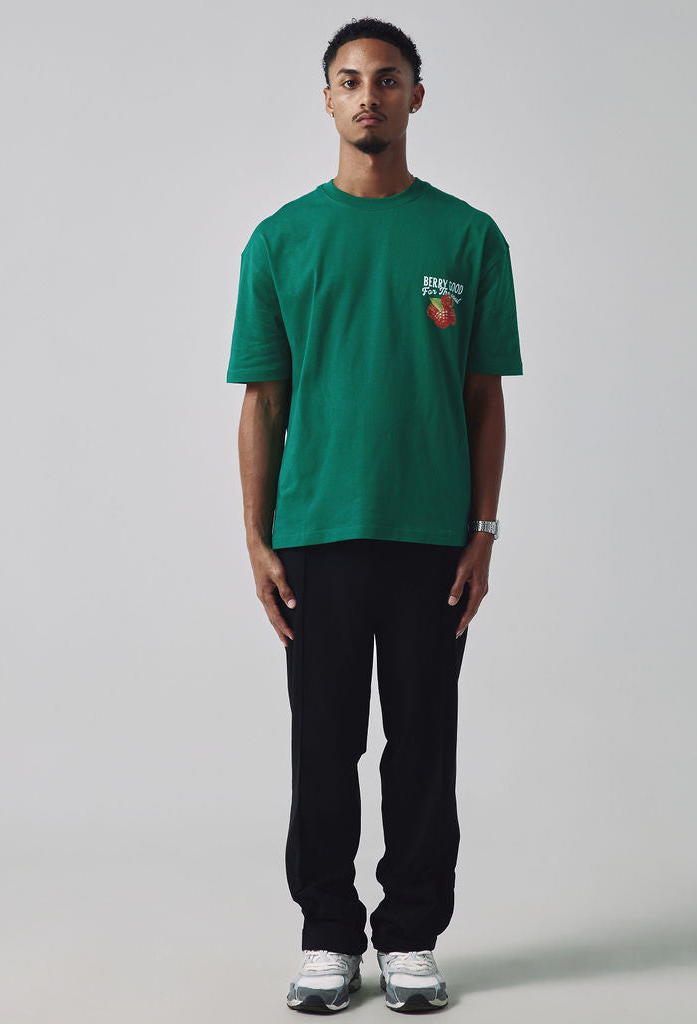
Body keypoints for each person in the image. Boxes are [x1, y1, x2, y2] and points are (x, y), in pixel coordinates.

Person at [226, 17, 522, 1014]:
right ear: (326, 100)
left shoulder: (467, 238)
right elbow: (263, 402)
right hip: (316, 533)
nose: (369, 97)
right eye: (349, 81)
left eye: (387, 79)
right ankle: (326, 933)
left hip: (433, 537)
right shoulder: (281, 240)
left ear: (415, 97)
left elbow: (484, 398)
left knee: (422, 744)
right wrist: (257, 538)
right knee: (323, 742)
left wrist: (483, 532)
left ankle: (409, 936)